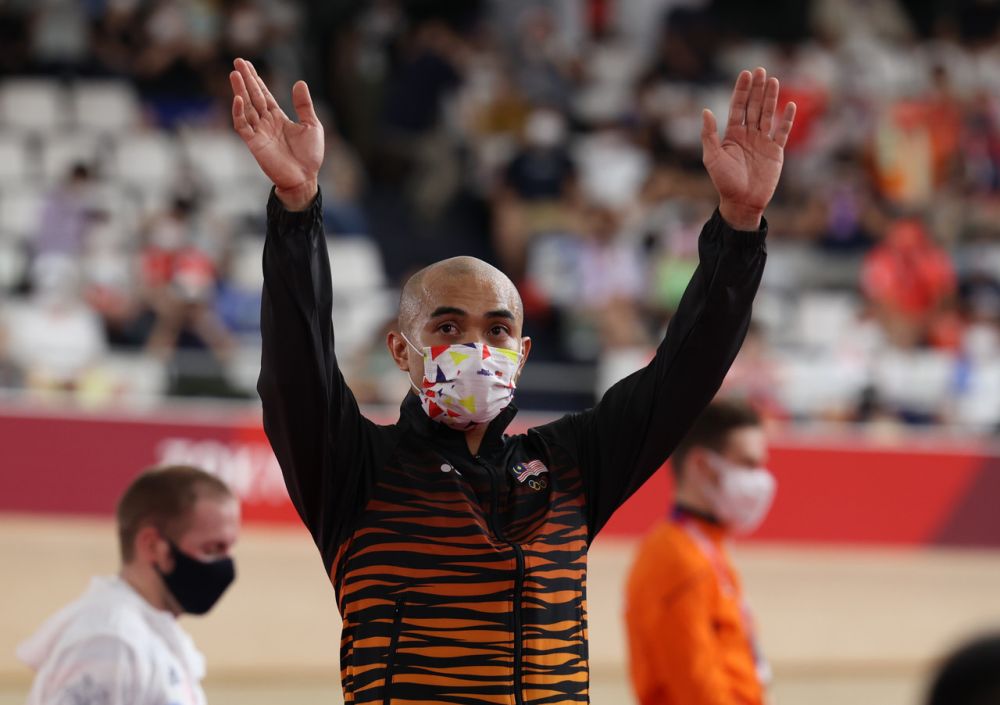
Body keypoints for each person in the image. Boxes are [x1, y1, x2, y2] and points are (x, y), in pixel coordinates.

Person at [229, 56, 795, 704]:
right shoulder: (354, 468)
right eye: (448, 326)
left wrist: (739, 227)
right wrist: (297, 209)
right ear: (401, 350)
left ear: (522, 354)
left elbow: (684, 375)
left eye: (497, 329)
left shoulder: (572, 465)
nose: (476, 346)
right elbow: (294, 370)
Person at [17, 466, 240, 705]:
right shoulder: (112, 642)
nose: (225, 563)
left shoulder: (151, 635)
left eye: (229, 548)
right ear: (152, 546)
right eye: (212, 549)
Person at [624, 399, 776, 705]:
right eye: (748, 464)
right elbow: (699, 689)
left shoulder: (706, 545)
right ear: (701, 465)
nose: (761, 480)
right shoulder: (677, 558)